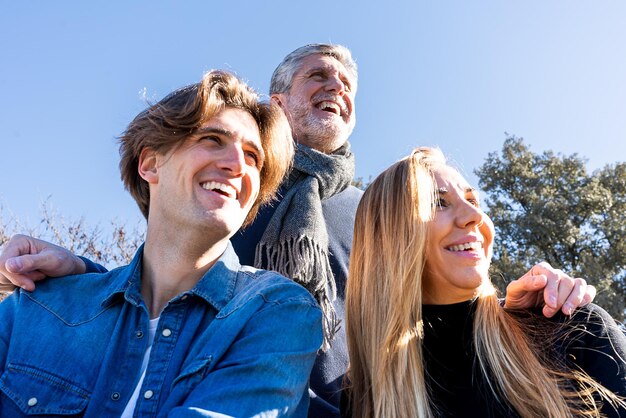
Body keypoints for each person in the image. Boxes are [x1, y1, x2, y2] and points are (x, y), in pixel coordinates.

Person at [0, 44, 597, 417]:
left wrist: (530, 307)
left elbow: (445, 305)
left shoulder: (385, 211)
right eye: (319, 75)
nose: (336, 87)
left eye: (348, 86)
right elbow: (169, 289)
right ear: (280, 99)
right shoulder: (231, 199)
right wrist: (84, 279)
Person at [0, 70, 323, 417]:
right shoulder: (38, 308)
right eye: (213, 139)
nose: (236, 165)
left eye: (253, 157)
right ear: (151, 163)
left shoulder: (276, 312)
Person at [343, 147, 626, 418]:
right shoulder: (362, 395)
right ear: (388, 238)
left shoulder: (570, 327)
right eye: (438, 202)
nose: (475, 216)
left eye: (474, 201)